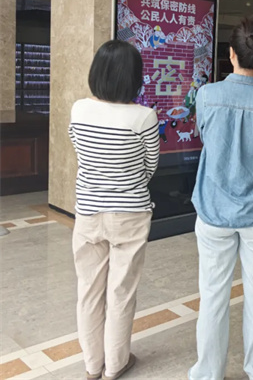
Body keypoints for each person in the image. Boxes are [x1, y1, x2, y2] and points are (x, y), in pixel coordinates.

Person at [188, 17, 253, 380]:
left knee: (212, 293)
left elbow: (205, 135)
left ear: (231, 54)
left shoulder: (207, 95)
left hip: (213, 207)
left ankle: (208, 372)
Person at [68, 40, 159, 380]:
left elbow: (80, 151)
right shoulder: (143, 117)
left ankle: (93, 366)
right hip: (130, 214)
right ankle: (116, 364)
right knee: (121, 292)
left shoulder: (79, 110)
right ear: (134, 77)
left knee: (88, 292)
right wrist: (127, 182)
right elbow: (150, 166)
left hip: (88, 213)